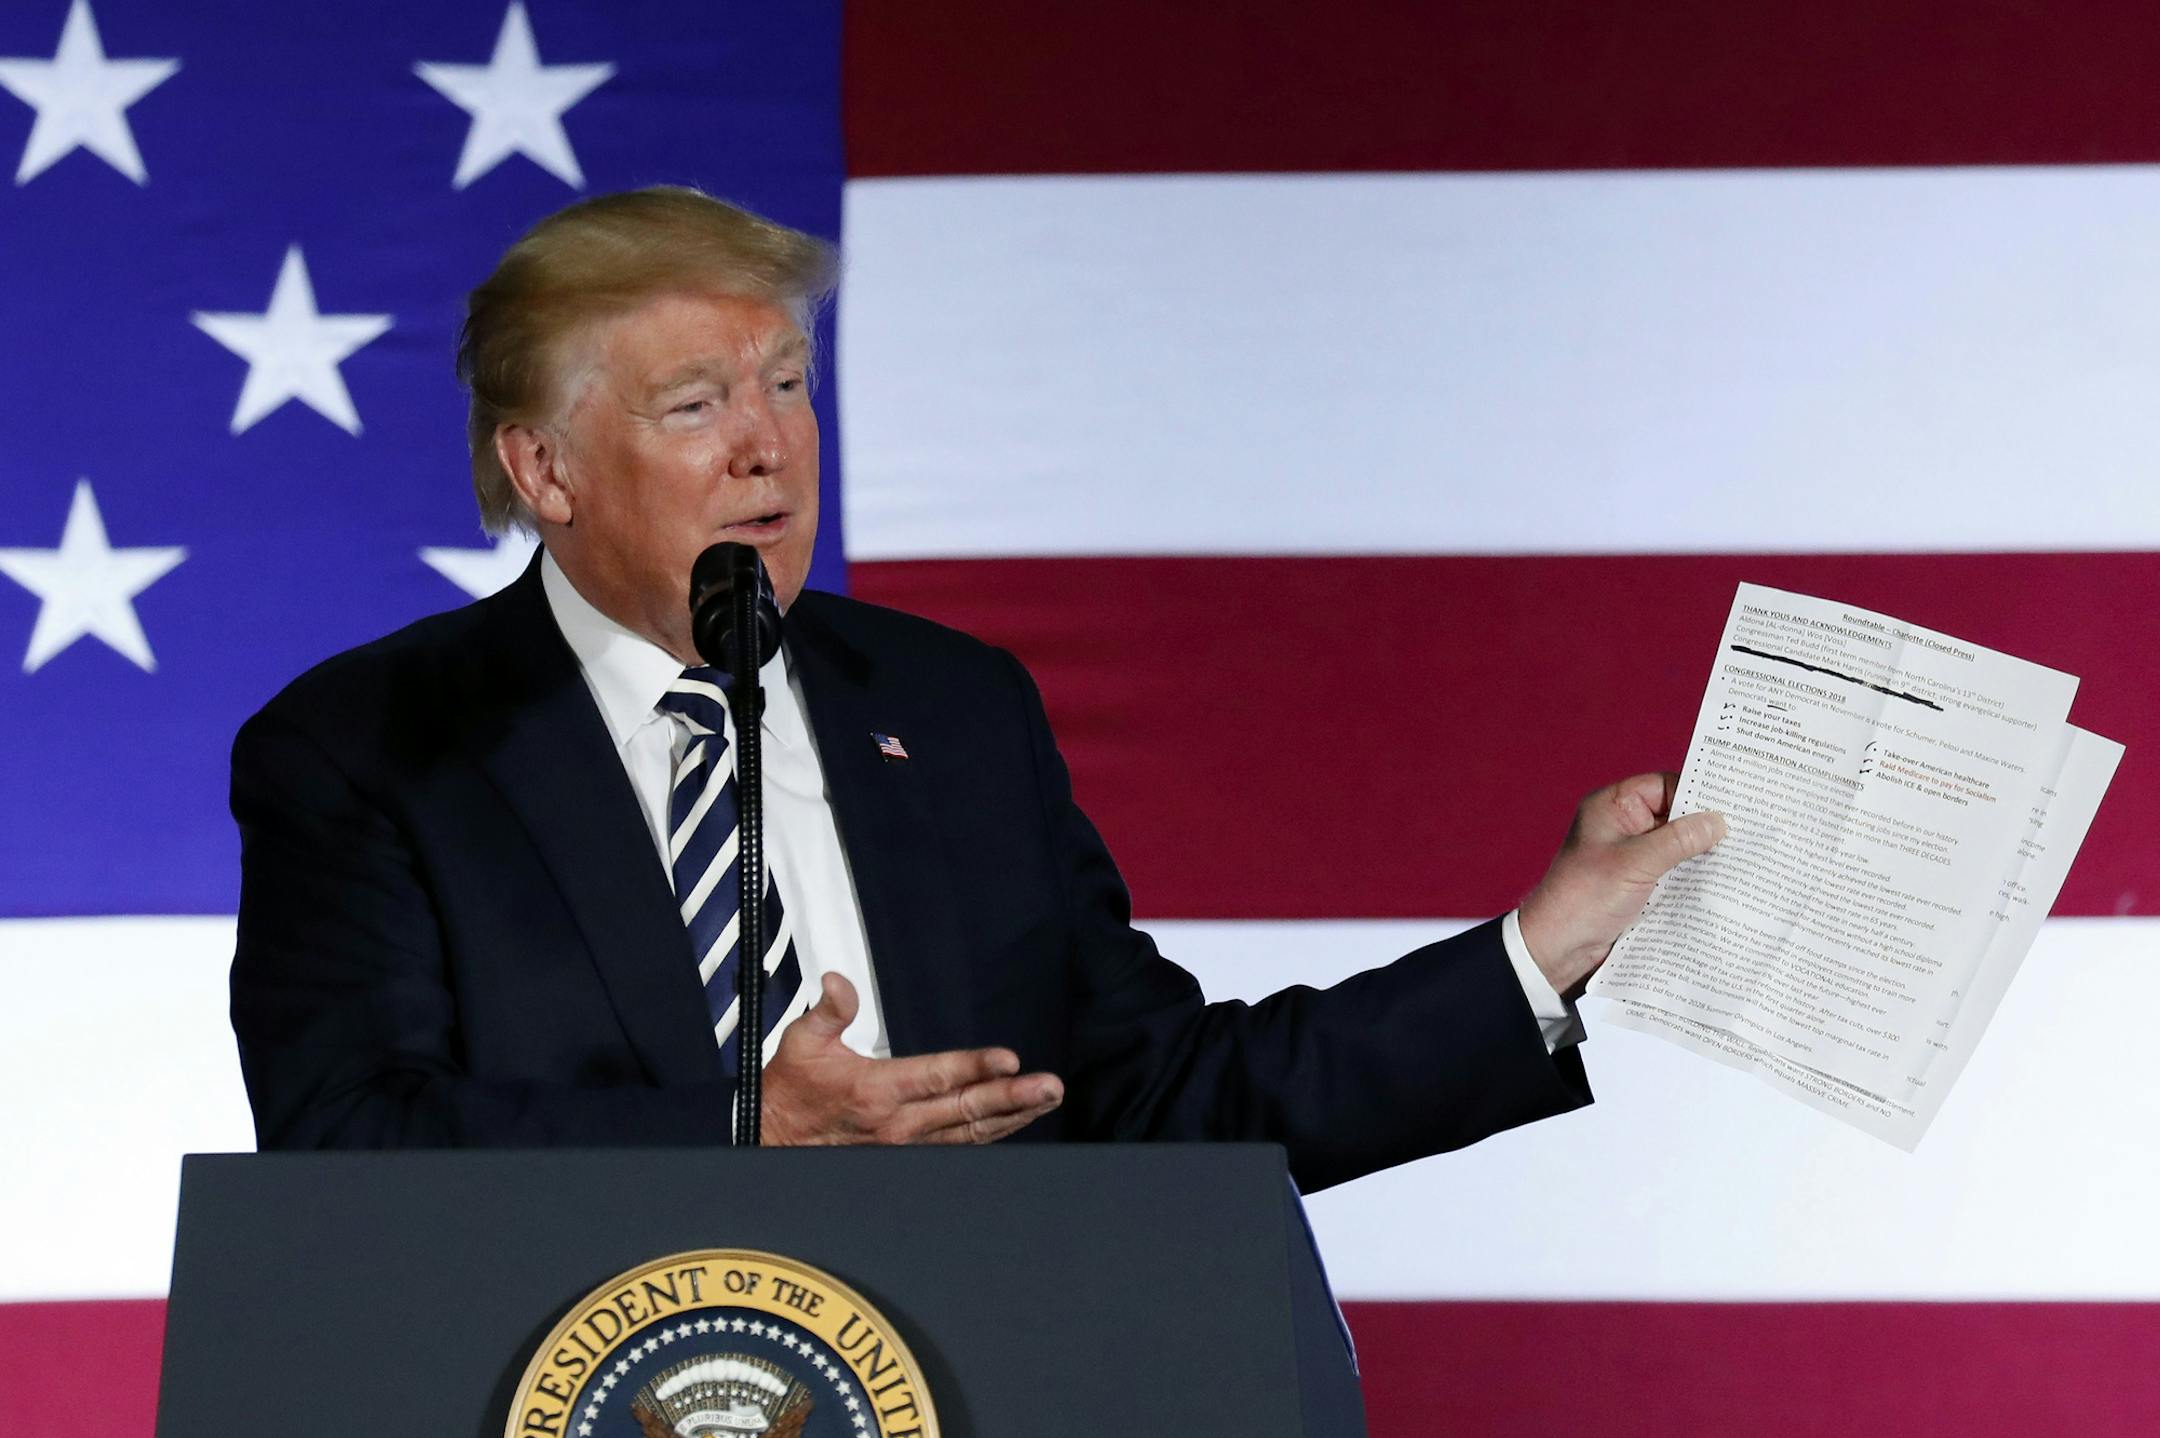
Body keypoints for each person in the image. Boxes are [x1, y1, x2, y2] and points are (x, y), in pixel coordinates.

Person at [229, 187, 1723, 1191]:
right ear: (541, 466)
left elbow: (1150, 1100)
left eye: (790, 386)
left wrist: (1537, 949)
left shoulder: (950, 712)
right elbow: (345, 1142)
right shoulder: (373, 749)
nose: (771, 446)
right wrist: (751, 1131)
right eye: (697, 405)